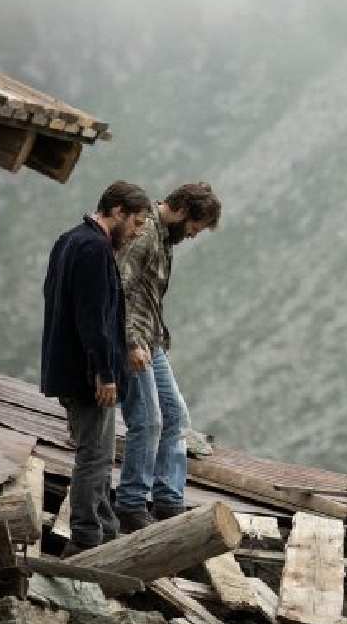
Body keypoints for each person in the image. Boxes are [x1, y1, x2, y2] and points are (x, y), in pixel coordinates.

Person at [41, 181, 151, 556]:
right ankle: (86, 540)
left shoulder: (69, 240)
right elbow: (95, 320)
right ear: (117, 211)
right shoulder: (95, 250)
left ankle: (105, 528)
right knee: (94, 457)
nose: (136, 233)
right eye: (135, 223)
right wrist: (105, 373)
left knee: (99, 453)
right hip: (87, 375)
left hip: (67, 369)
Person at [113, 182, 221, 531]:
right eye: (193, 227)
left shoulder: (163, 238)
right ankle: (131, 503)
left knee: (176, 416)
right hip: (134, 342)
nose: (192, 235)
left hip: (152, 339)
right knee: (148, 419)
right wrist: (131, 343)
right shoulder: (144, 236)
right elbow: (121, 291)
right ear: (182, 211)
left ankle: (168, 500)